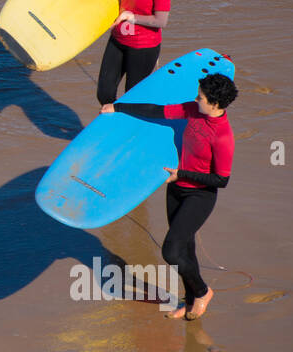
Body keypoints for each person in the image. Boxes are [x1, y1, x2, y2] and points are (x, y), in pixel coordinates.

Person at [101, 72, 237, 321]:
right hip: (176, 188)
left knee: (171, 252)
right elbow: (158, 110)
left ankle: (203, 291)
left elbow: (222, 180)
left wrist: (181, 174)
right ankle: (189, 301)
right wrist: (118, 107)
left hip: (199, 196)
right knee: (186, 249)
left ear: (215, 104)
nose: (197, 99)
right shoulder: (193, 110)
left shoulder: (223, 136)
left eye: (201, 97)